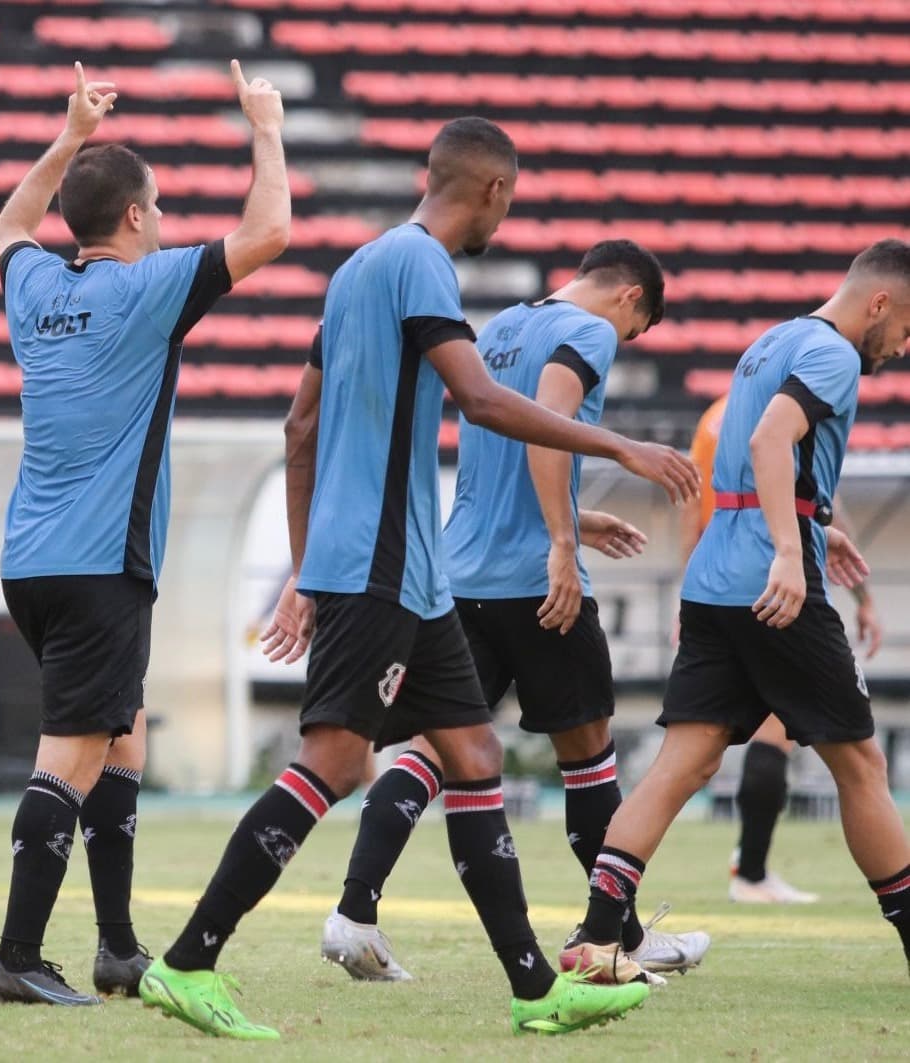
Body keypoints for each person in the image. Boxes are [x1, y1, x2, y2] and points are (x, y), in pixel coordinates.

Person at [138, 118, 699, 1041]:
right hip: (387, 563)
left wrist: (304, 566)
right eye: (506, 205)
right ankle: (189, 960)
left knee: (474, 758)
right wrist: (620, 444)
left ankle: (533, 989)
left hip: (418, 573)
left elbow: (298, 427)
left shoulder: (354, 269)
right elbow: (479, 398)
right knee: (333, 760)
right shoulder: (426, 265)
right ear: (493, 195)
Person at [317, 240, 709, 986]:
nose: (624, 344)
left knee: (433, 753)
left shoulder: (497, 328)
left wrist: (576, 518)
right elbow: (553, 419)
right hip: (536, 580)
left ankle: (355, 913)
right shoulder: (590, 331)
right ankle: (613, 937)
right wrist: (563, 543)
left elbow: (497, 456)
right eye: (638, 332)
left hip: (459, 573)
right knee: (589, 760)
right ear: (630, 298)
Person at [0, 60, 289, 1006]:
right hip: (99, 563)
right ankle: (17, 959)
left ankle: (117, 947)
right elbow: (270, 230)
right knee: (70, 758)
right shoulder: (148, 288)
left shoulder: (35, 285)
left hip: (31, 559)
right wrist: (266, 126)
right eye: (153, 206)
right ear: (135, 219)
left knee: (124, 741)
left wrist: (70, 136)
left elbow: (5, 226)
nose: (159, 219)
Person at [560, 239, 910, 984]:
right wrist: (791, 549)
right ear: (879, 301)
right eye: (907, 326)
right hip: (771, 586)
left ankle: (596, 938)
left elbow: (755, 464)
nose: (904, 345)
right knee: (861, 763)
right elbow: (769, 439)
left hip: (713, 579)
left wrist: (814, 525)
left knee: (681, 763)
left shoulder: (769, 342)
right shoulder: (835, 354)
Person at [681, 395, 883, 905]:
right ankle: (751, 871)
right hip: (773, 577)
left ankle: (613, 899)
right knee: (799, 740)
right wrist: (865, 597)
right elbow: (824, 504)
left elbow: (690, 506)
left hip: (714, 585)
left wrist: (689, 596)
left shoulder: (713, 420)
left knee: (690, 753)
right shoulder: (789, 412)